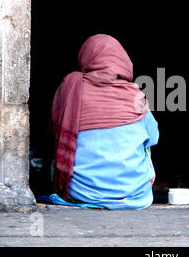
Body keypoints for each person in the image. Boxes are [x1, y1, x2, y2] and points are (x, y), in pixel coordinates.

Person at [49, 34, 158, 210]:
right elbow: (154, 137)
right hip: (136, 195)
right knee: (145, 142)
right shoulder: (137, 97)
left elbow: (55, 130)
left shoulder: (70, 88)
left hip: (80, 192)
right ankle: (126, 186)